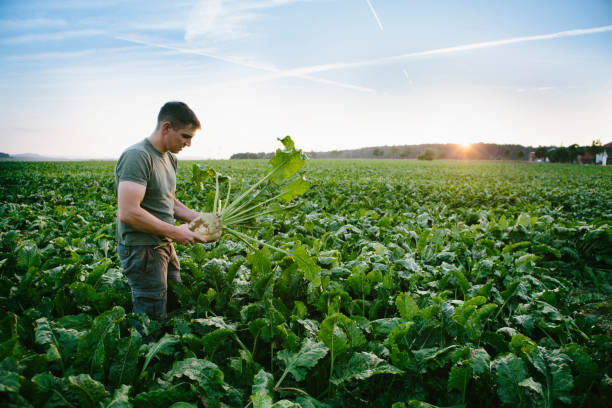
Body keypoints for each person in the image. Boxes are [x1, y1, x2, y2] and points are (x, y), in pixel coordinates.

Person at [114, 101, 219, 327]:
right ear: (166, 128)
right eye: (185, 136)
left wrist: (200, 218)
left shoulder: (169, 157)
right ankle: (145, 356)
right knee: (150, 317)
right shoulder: (138, 156)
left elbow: (168, 201)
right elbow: (129, 212)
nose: (189, 143)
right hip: (142, 249)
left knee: (174, 301)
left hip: (164, 244)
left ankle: (169, 353)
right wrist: (176, 232)